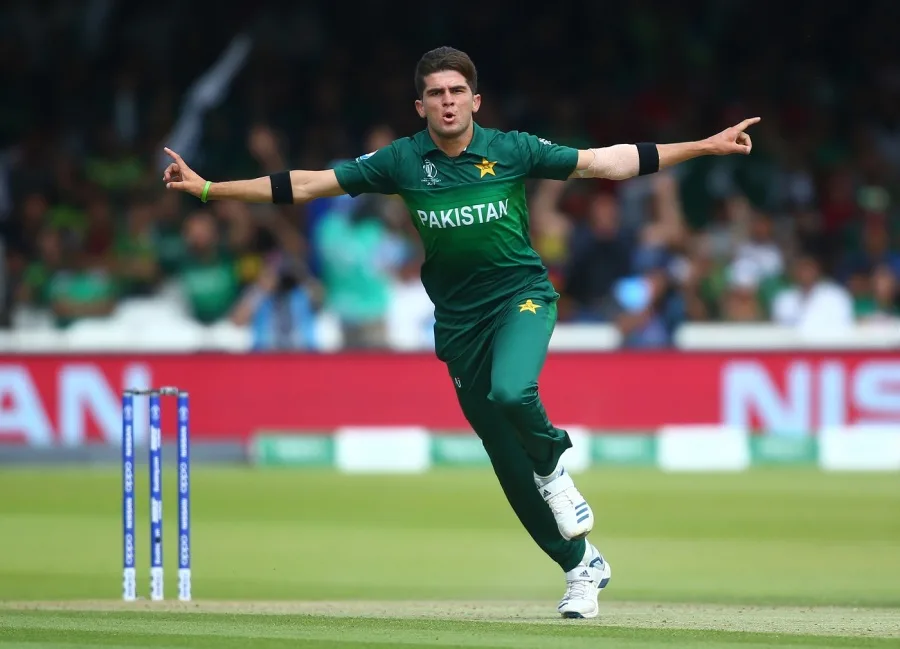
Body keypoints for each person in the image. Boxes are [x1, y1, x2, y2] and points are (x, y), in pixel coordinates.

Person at [162, 46, 759, 619]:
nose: (447, 101)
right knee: (506, 462)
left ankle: (554, 469)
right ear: (420, 106)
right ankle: (580, 567)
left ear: (476, 100)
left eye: (456, 91)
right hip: (458, 322)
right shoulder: (401, 161)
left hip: (522, 297)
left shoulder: (512, 149)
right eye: (435, 94)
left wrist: (705, 146)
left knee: (512, 391)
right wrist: (212, 189)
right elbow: (308, 184)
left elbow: (608, 161)